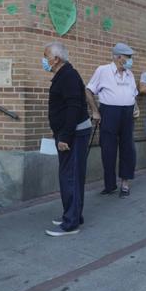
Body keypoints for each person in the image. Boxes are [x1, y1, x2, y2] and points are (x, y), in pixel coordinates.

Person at [44, 41, 93, 237]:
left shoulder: (69, 76)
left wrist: (64, 136)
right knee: (71, 175)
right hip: (70, 133)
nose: (44, 60)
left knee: (70, 177)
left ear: (56, 59)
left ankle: (70, 223)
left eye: (46, 56)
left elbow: (74, 107)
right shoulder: (64, 75)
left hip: (73, 135)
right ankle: (73, 215)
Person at [86, 42, 138, 197]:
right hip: (109, 112)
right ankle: (109, 184)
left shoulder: (130, 74)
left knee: (127, 147)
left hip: (127, 113)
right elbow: (88, 91)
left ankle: (125, 184)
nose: (130, 60)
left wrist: (136, 107)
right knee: (108, 149)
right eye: (128, 57)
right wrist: (95, 111)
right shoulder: (103, 70)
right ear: (119, 57)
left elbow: (133, 94)